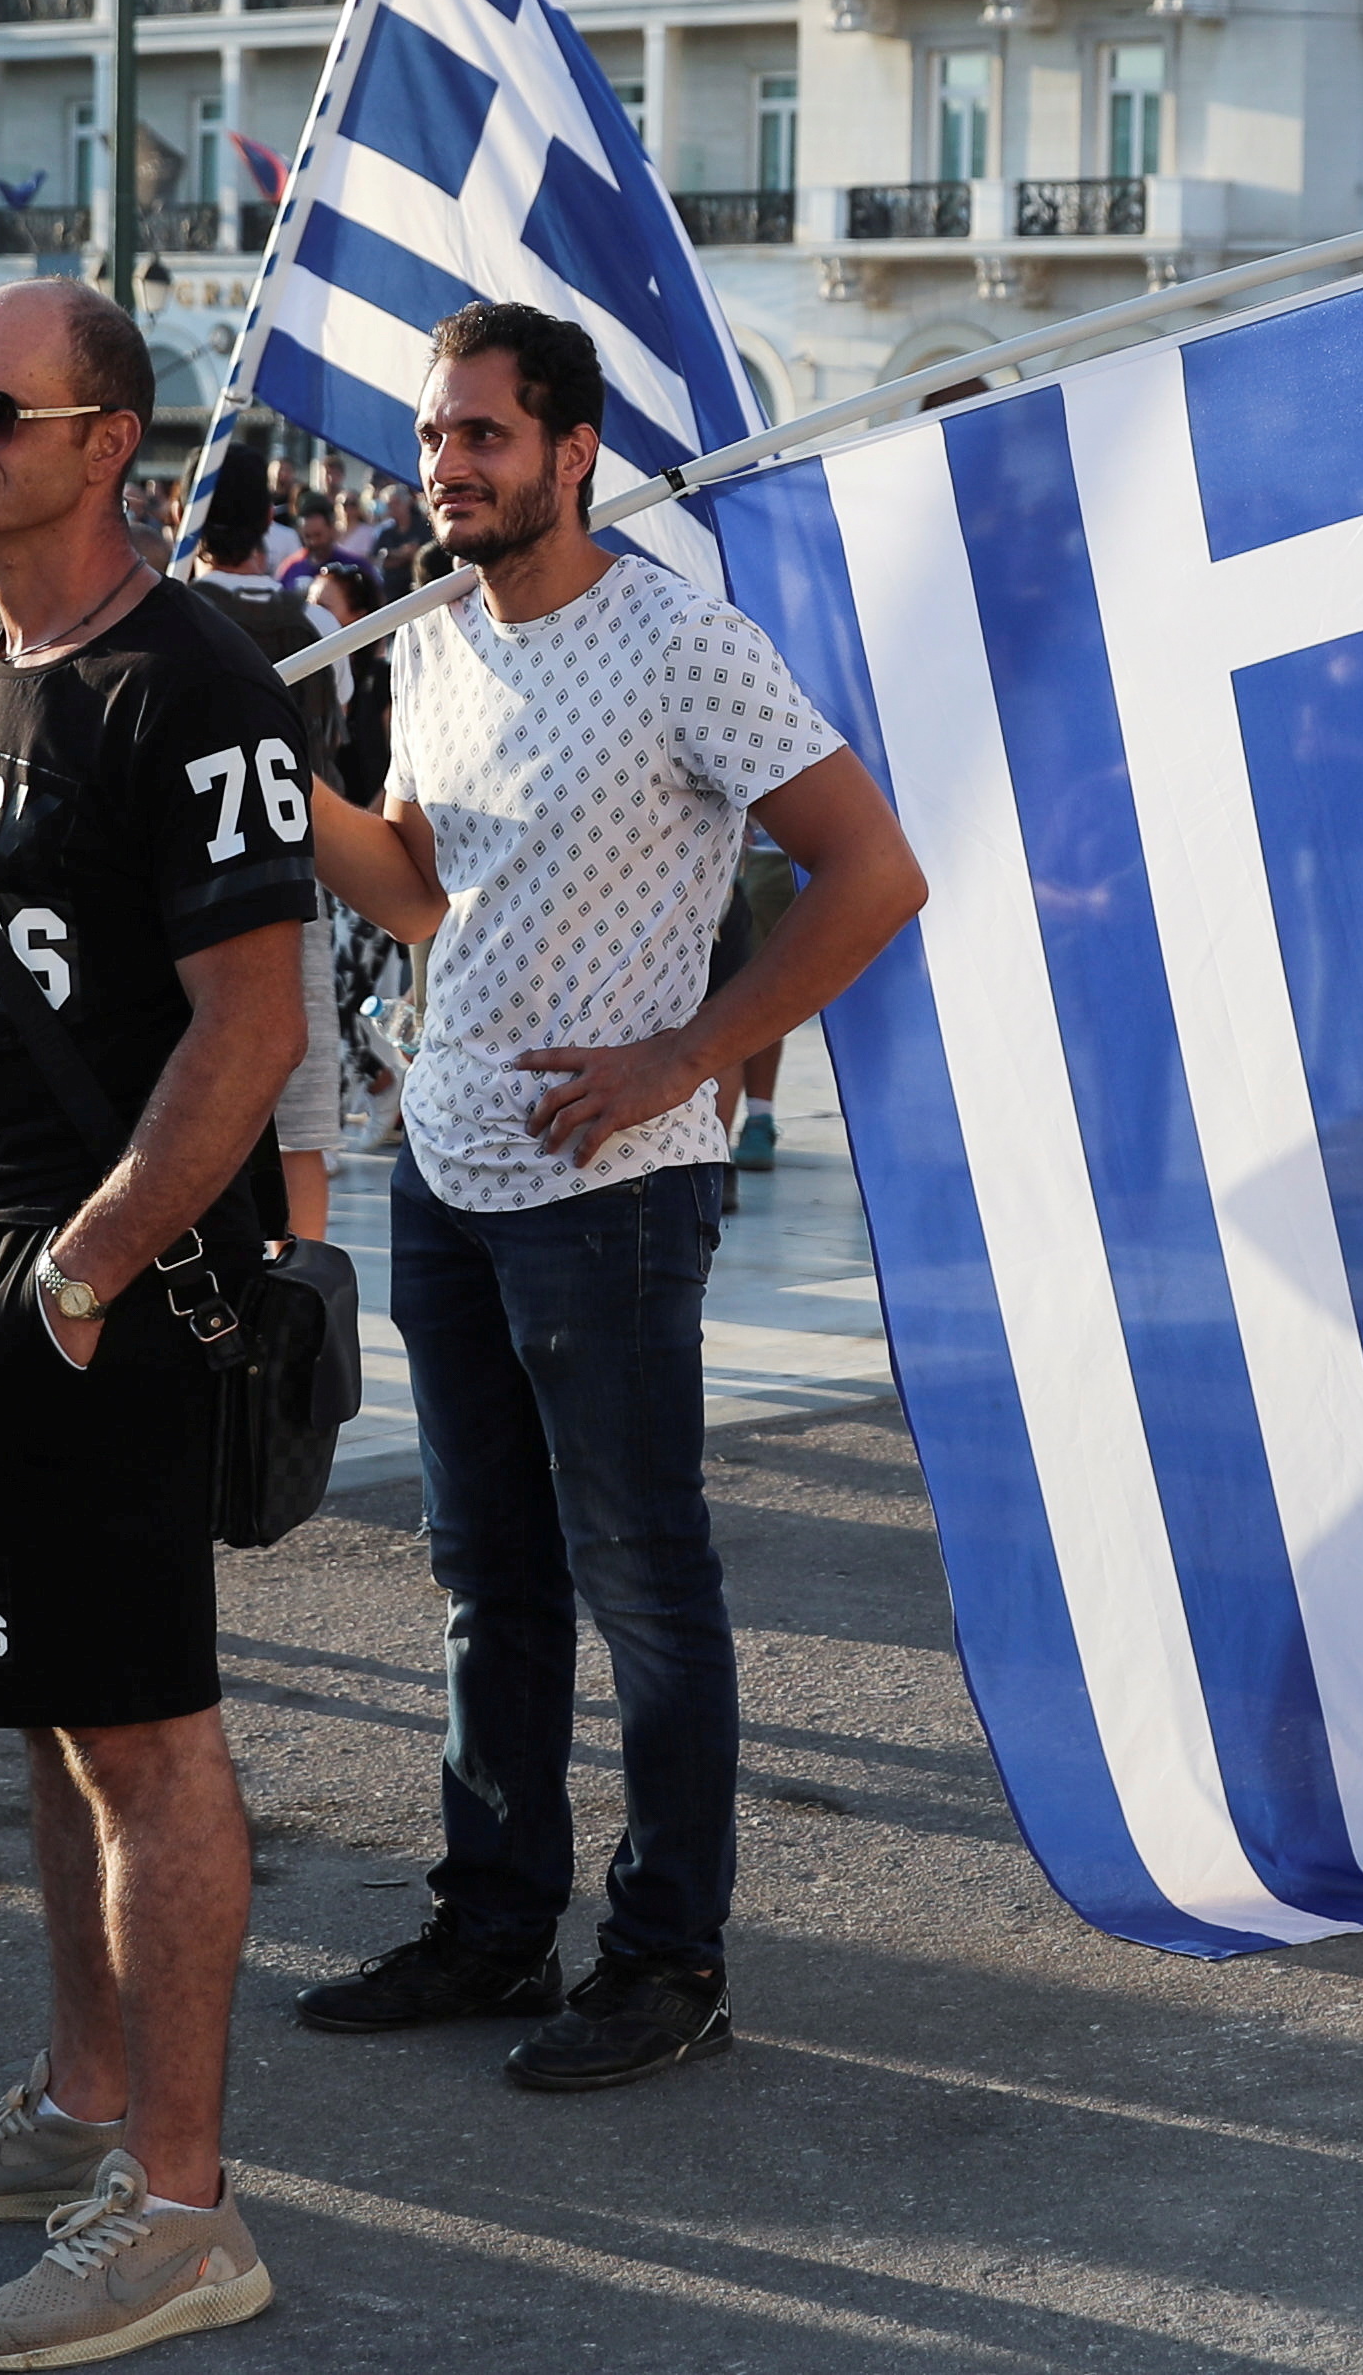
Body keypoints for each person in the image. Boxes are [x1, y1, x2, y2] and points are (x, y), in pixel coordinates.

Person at [275, 305, 923, 2107]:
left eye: (481, 435)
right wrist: (290, 791)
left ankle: (668, 1957)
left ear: (573, 451)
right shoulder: (437, 639)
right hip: (452, 1164)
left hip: (617, 1190)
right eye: (431, 439)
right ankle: (493, 1919)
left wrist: (690, 1053)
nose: (446, 468)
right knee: (485, 1573)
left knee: (642, 1575)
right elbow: (422, 890)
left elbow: (874, 870)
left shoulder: (679, 638)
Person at [0, 283, 308, 2366]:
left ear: (107, 435)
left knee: (141, 1728)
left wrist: (86, 1267)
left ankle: (184, 2203)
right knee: (51, 1709)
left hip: (79, 1280)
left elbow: (252, 1018)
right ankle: (80, 2098)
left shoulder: (189, 678)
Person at [184, 472, 350, 1244]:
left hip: (189, 884)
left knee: (188, 1096)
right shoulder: (316, 622)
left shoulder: (170, 613)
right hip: (295, 876)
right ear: (266, 525)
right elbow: (339, 727)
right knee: (299, 1119)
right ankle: (304, 1286)